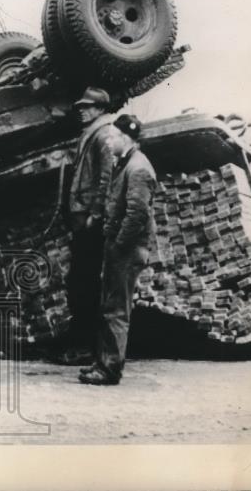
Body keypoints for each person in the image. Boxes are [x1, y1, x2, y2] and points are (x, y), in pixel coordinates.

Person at [79, 114, 156, 386]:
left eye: (112, 136)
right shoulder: (126, 163)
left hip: (127, 250)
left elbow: (137, 214)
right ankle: (103, 361)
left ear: (125, 138)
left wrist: (119, 244)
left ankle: (110, 368)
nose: (108, 141)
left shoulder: (138, 169)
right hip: (119, 247)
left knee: (116, 311)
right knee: (109, 305)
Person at [60, 86, 124, 365]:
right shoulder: (93, 132)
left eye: (87, 106)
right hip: (83, 216)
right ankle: (85, 346)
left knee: (84, 285)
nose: (82, 110)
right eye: (81, 106)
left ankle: (86, 348)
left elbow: (106, 178)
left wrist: (95, 214)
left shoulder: (104, 134)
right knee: (80, 283)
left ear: (100, 109)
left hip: (90, 219)